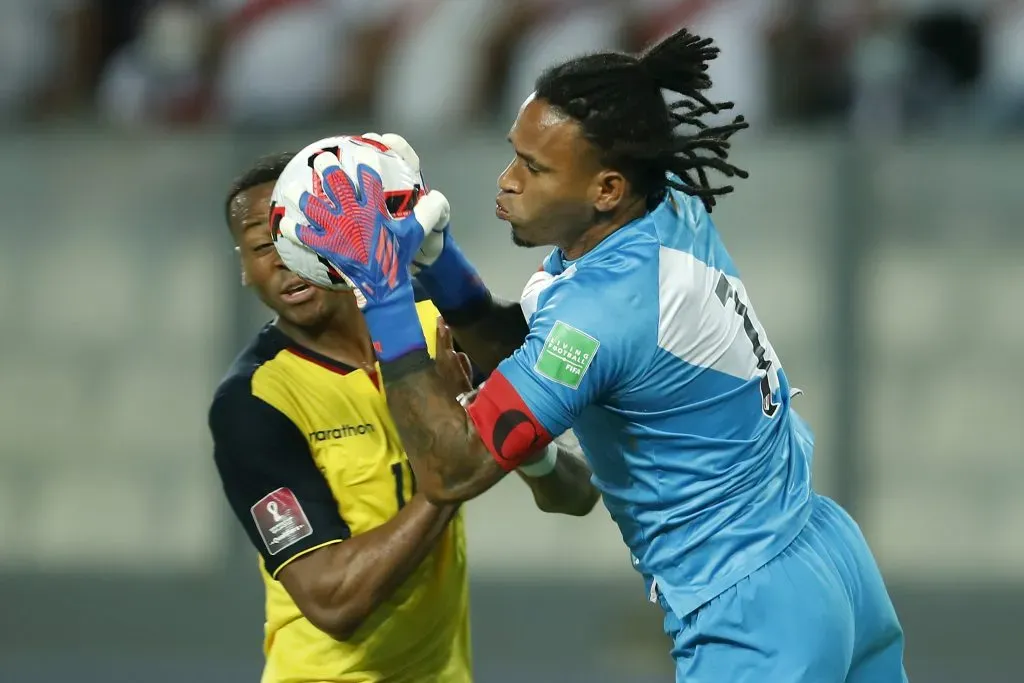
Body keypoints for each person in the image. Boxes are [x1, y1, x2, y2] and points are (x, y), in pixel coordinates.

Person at [276, 26, 909, 683]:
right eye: (514, 154)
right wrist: (437, 264)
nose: (508, 180)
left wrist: (382, 291)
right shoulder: (667, 207)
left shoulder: (601, 312)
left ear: (606, 188)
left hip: (751, 608)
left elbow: (450, 473)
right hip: (827, 555)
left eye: (536, 168)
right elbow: (550, 361)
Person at [209, 151, 595, 683]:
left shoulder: (430, 323)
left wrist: (501, 434)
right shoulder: (255, 401)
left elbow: (576, 494)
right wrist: (453, 463)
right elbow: (332, 601)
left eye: (293, 237)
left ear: (336, 237)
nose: (279, 259)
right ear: (244, 269)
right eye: (259, 247)